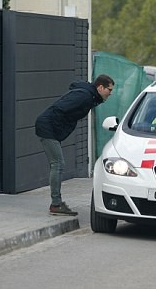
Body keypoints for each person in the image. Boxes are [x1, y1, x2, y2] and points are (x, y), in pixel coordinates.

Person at [35, 74, 115, 216]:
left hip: (51, 129)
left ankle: (56, 203)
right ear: (100, 87)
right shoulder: (84, 96)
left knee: (57, 163)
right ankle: (56, 204)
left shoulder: (89, 96)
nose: (111, 93)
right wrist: (58, 129)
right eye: (109, 89)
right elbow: (60, 109)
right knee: (57, 163)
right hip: (47, 128)